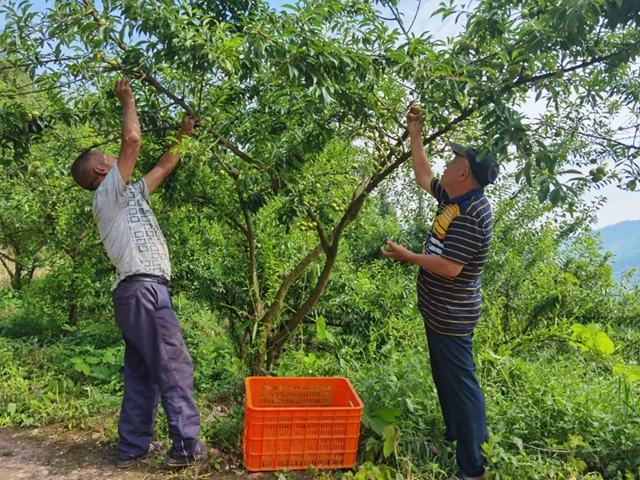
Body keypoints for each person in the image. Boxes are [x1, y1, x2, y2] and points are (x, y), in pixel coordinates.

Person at [70, 78, 208, 469]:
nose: (117, 159)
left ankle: (131, 448)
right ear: (101, 168)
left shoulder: (130, 194)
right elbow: (132, 141)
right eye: (108, 158)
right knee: (173, 363)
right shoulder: (107, 193)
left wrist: (183, 135)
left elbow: (164, 165)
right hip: (143, 290)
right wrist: (127, 99)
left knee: (143, 374)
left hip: (135, 295)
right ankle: (185, 448)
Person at [380, 106, 500, 480]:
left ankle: (473, 467)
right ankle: (455, 436)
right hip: (439, 311)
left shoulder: (471, 214)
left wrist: (408, 256)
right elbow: (423, 174)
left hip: (452, 315)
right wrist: (415, 132)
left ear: (465, 172)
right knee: (445, 377)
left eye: (454, 160)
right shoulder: (454, 198)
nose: (447, 165)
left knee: (462, 386)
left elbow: (450, 267)